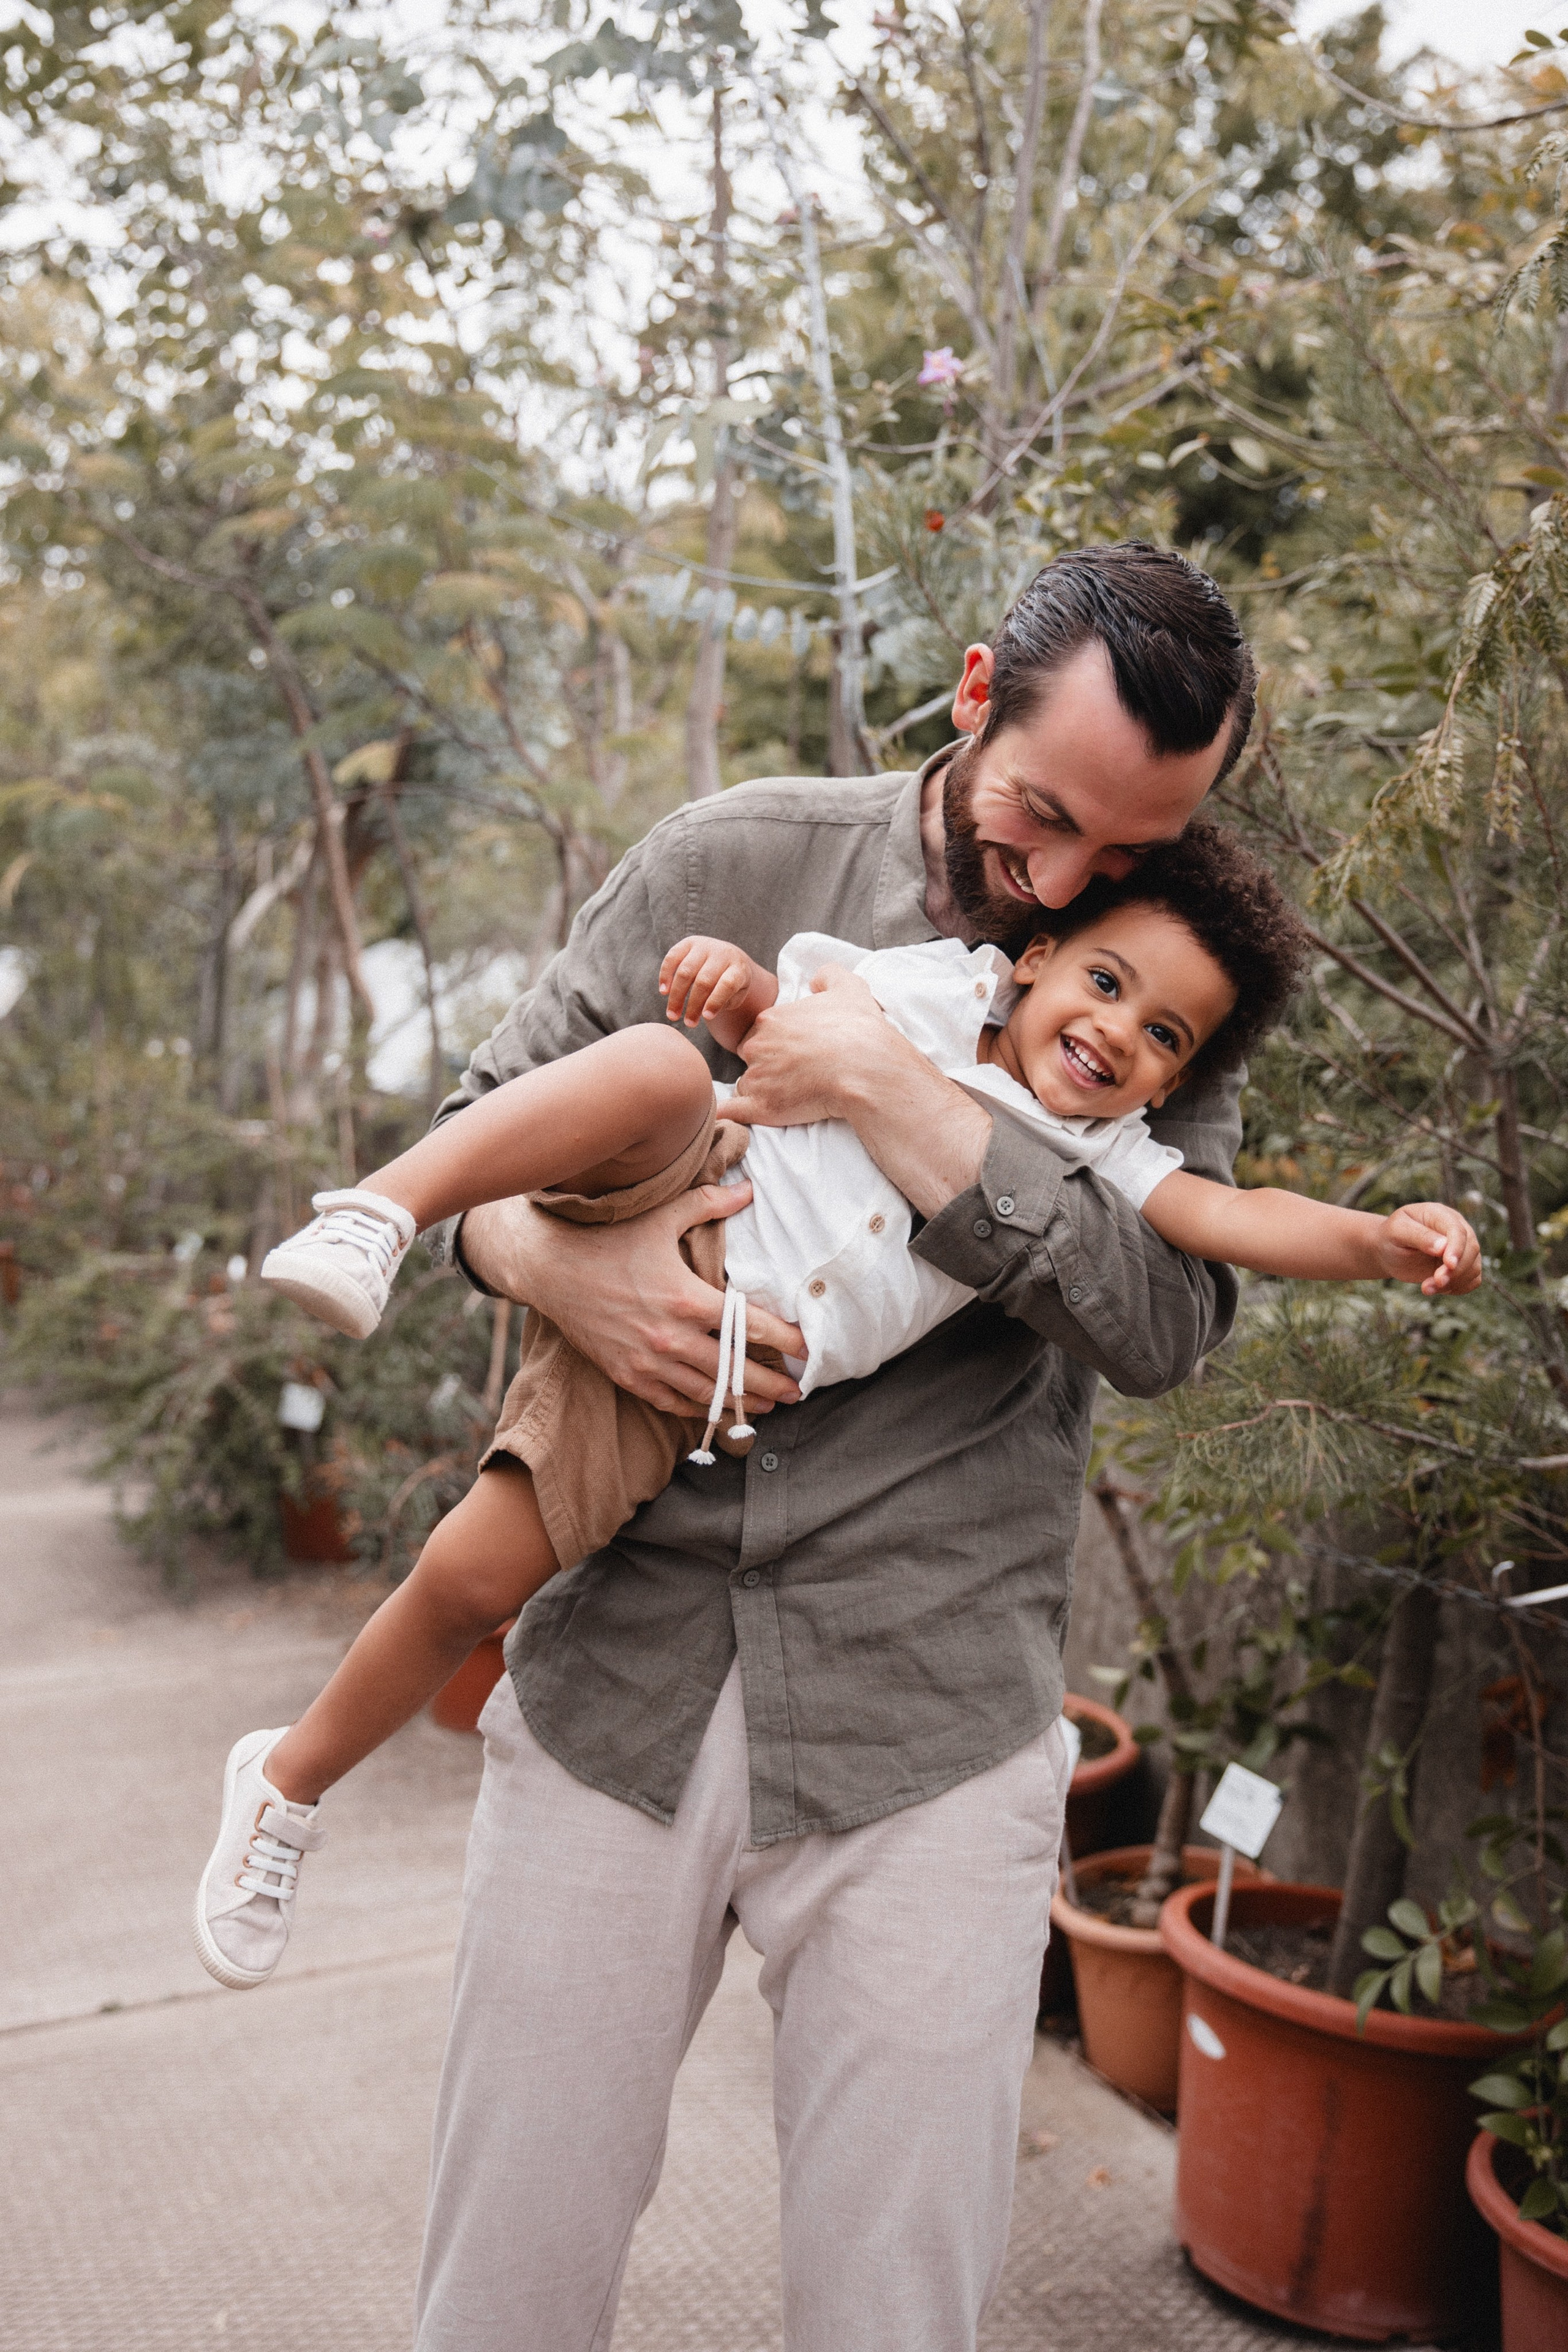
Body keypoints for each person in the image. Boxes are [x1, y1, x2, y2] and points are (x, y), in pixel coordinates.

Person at [204, 545, 1300, 2351]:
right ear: (971, 697)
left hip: (925, 1715)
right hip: (615, 1665)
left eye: (1137, 844)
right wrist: (574, 1266)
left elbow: (1170, 1317)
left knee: (893, 2313)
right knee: (503, 2290)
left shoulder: (1157, 976)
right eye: (1049, 819)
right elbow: (484, 1137)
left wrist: (894, 1093)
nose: (1077, 884)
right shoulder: (737, 856)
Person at [194, 826, 1482, 1997]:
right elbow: (774, 1025)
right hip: (686, 1186)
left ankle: (285, 1780)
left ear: (1165, 1088)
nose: (1117, 1032)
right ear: (1033, 961)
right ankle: (380, 1210)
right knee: (652, 1067)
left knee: (468, 1580)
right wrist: (725, 985)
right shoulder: (933, 990)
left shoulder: (1105, 1156)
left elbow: (1231, 1221)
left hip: (696, 1373)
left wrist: (1375, 1239)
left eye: (1163, 1038)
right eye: (1105, 982)